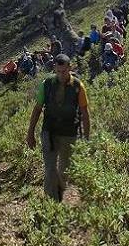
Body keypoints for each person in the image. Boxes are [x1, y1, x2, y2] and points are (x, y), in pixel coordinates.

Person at [25, 54, 90, 202]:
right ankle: (51, 204)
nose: (61, 74)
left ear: (69, 68)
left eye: (64, 71)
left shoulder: (78, 86)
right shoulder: (46, 84)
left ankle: (58, 194)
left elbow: (85, 113)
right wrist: (30, 133)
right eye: (58, 71)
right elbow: (37, 109)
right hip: (49, 131)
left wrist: (86, 138)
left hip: (69, 132)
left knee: (65, 170)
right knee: (50, 169)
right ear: (54, 68)